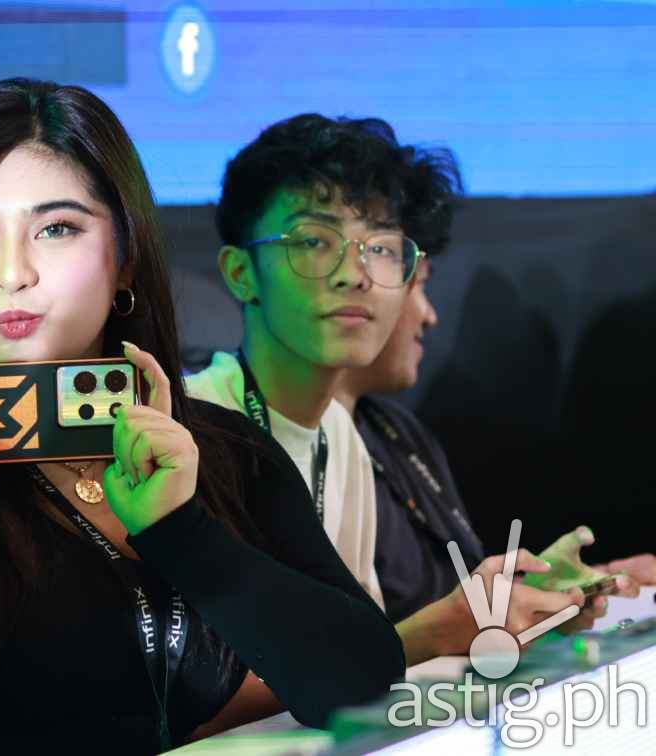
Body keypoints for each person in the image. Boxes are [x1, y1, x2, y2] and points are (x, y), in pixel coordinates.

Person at [0, 79, 403, 755]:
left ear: (124, 259)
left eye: (57, 228)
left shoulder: (221, 450)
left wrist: (179, 531)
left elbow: (364, 685)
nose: (12, 273)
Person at [183, 115, 589, 728]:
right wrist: (433, 631)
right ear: (241, 273)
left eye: (380, 246)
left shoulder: (342, 435)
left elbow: (349, 678)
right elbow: (189, 706)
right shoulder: (193, 434)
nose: (356, 273)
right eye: (313, 241)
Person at [333, 252, 648, 630]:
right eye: (415, 285)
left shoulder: (398, 430)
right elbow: (333, 652)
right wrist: (444, 632)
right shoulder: (286, 451)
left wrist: (539, 597)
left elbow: (461, 602)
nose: (430, 316)